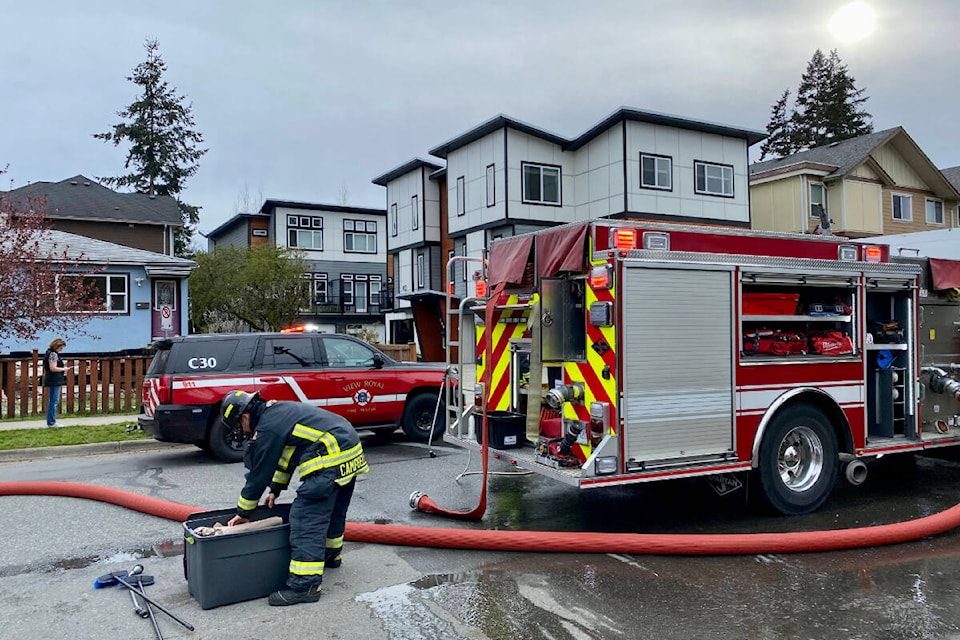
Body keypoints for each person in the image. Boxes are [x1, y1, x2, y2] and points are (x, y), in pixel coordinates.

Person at [221, 390, 368, 606]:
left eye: (238, 426)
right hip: (349, 451)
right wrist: (276, 489)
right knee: (334, 509)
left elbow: (258, 476)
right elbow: (287, 456)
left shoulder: (267, 428)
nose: (242, 432)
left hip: (332, 456)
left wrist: (244, 512)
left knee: (305, 518)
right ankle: (331, 555)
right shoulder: (278, 412)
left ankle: (305, 586)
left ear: (244, 416)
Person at [42, 338, 67, 428]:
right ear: (57, 346)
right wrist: (64, 369)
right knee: (54, 401)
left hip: (52, 379)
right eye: (61, 348)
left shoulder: (48, 353)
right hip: (54, 379)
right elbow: (53, 368)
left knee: (53, 401)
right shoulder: (53, 354)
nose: (61, 350)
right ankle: (51, 422)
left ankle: (51, 421)